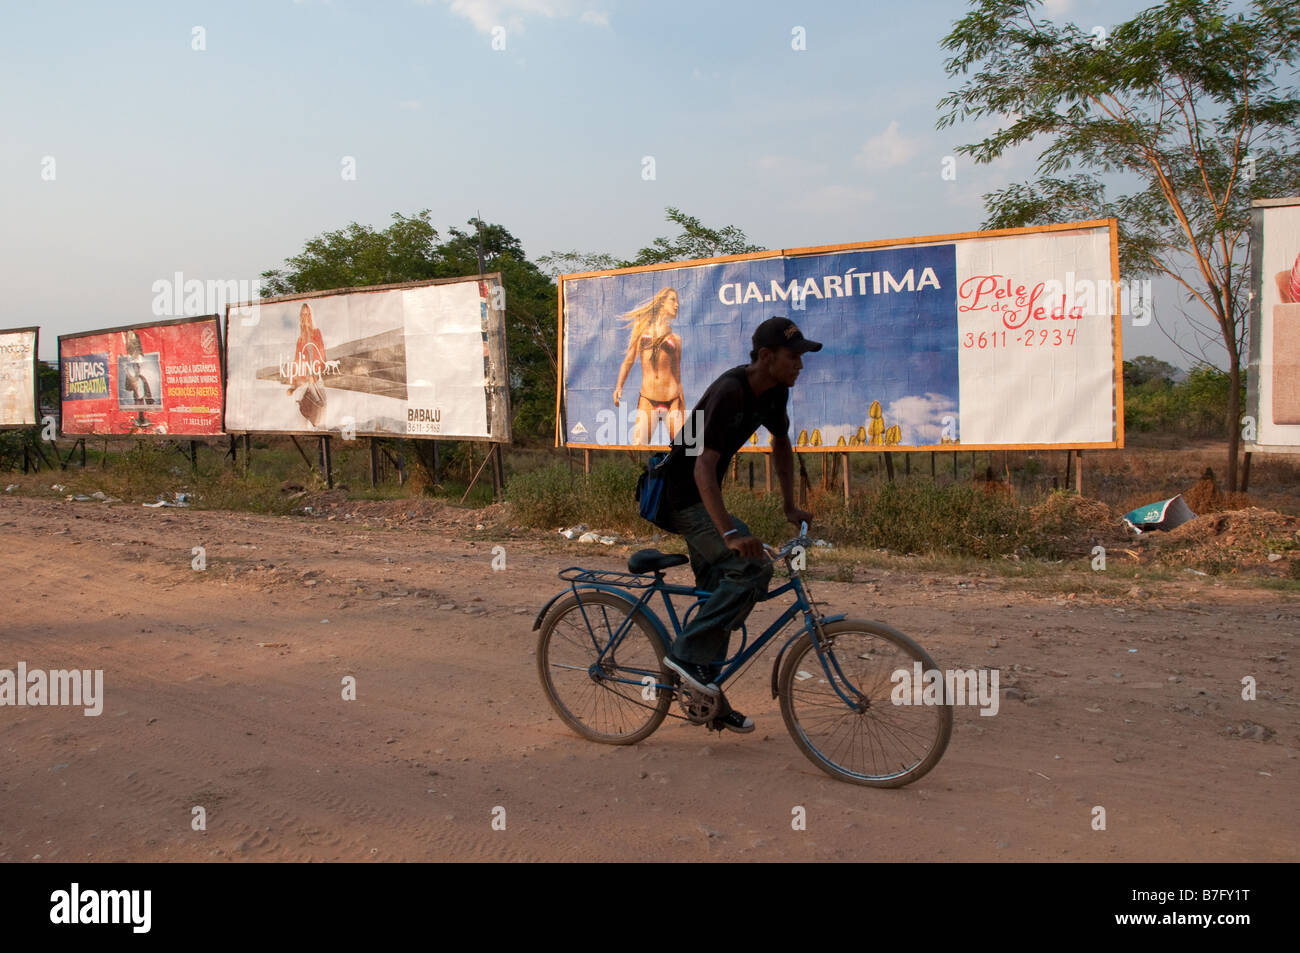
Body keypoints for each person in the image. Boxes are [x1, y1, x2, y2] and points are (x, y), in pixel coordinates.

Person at [659, 316, 819, 733]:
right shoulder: (730, 390)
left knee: (721, 592)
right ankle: (685, 656)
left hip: (703, 494)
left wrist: (790, 507)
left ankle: (705, 699)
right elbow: (701, 467)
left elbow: (780, 443)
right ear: (766, 357)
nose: (800, 365)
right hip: (680, 495)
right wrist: (729, 533)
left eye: (802, 357)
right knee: (752, 565)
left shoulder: (775, 392)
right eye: (793, 357)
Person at [613, 287, 684, 444]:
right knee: (638, 445)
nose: (677, 304)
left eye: (678, 301)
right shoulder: (641, 328)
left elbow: (677, 375)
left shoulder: (676, 339)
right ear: (662, 302)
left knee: (683, 449)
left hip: (672, 399)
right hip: (648, 398)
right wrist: (619, 386)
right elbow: (629, 360)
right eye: (673, 300)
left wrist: (681, 406)